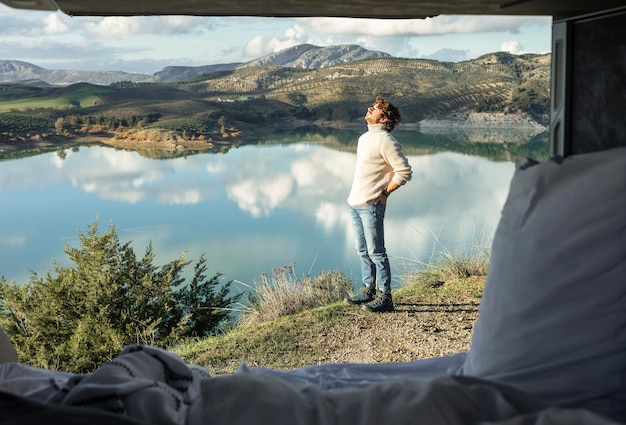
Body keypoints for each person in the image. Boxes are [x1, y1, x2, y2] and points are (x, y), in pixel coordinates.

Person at [344, 97, 412, 313]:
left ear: (383, 118)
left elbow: (404, 172)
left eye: (376, 108)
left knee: (376, 252)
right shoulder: (364, 138)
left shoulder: (387, 141)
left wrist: (385, 193)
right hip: (355, 203)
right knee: (362, 250)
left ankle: (385, 296)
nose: (369, 108)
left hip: (372, 205)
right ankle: (368, 290)